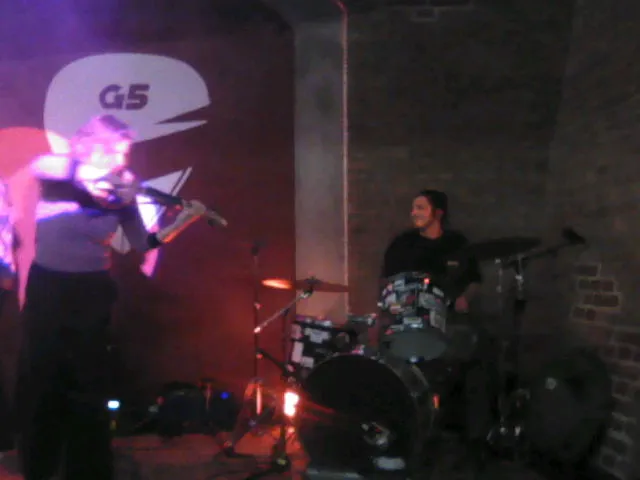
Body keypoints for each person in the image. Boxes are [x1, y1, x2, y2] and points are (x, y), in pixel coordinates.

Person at [15, 114, 207, 480]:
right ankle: (40, 467)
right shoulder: (58, 171)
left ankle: (86, 470)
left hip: (91, 292)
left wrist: (183, 221)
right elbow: (47, 167)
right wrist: (100, 182)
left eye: (124, 152)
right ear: (92, 147)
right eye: (115, 151)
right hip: (48, 290)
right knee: (43, 380)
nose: (122, 160)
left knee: (88, 386)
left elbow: (143, 243)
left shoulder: (121, 195)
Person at [380, 189, 494, 470]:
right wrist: (387, 311)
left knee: (480, 360)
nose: (414, 213)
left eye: (420, 207)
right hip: (406, 321)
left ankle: (474, 444)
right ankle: (399, 441)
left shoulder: (457, 244)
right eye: (413, 208)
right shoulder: (402, 244)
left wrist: (466, 297)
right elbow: (387, 284)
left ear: (438, 212)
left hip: (450, 321)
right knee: (396, 373)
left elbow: (475, 281)